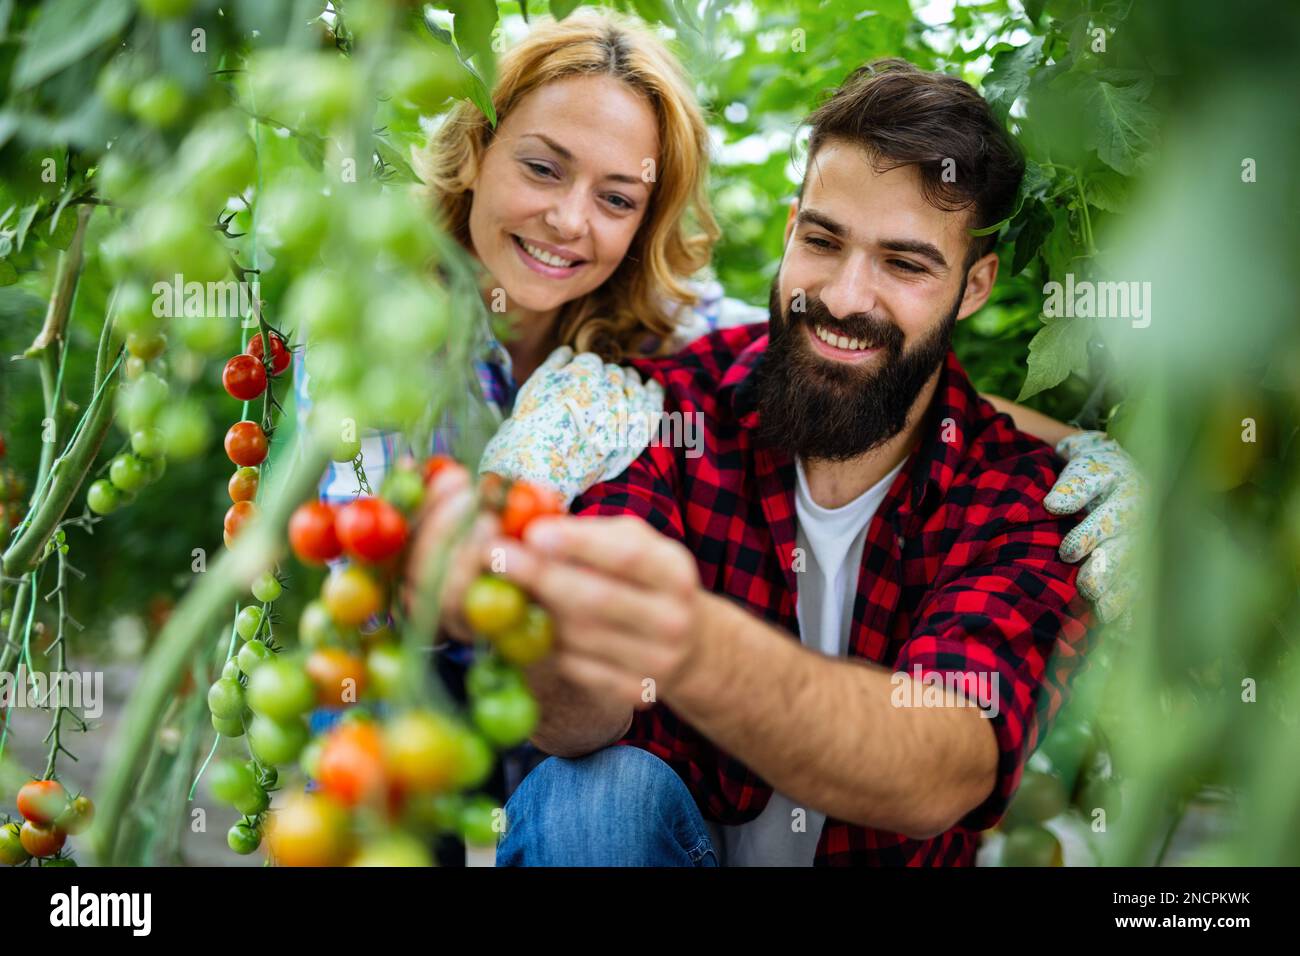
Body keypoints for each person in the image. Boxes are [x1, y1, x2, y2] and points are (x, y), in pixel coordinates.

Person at [410, 58, 1101, 866]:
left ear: (974, 286)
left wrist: (684, 641)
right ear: (789, 231)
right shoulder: (666, 413)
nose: (845, 297)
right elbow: (573, 722)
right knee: (589, 799)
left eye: (905, 264)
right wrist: (535, 607)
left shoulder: (1019, 495)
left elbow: (941, 771)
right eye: (823, 240)